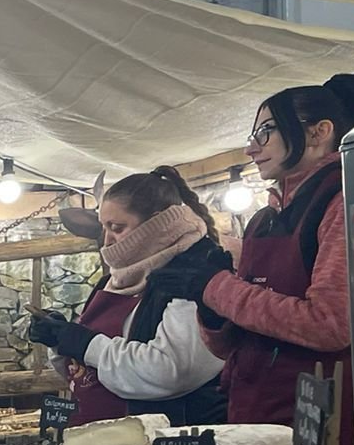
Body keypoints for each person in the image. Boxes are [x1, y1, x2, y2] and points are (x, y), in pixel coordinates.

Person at [198, 71, 354, 445]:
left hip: (318, 425)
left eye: (266, 131)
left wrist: (218, 288)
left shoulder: (342, 202)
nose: (251, 147)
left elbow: (330, 323)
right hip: (253, 418)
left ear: (319, 133)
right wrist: (210, 311)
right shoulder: (264, 219)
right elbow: (230, 346)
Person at [27, 167, 232, 424]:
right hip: (103, 442)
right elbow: (88, 370)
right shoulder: (114, 280)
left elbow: (170, 372)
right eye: (104, 228)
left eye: (117, 227)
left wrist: (86, 344)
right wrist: (60, 339)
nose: (108, 241)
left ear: (157, 223)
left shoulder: (192, 279)